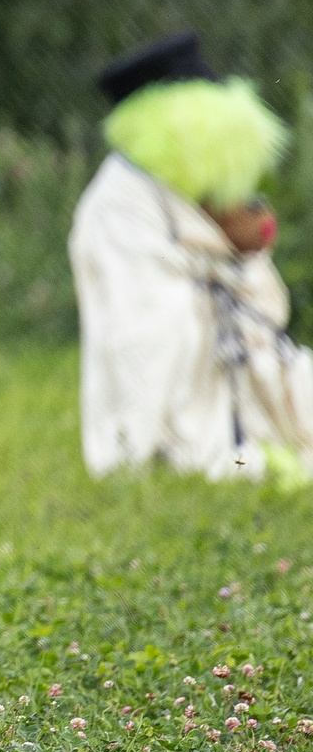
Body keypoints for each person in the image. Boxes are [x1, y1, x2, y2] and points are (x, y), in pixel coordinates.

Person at [70, 30, 313, 483]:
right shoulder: (120, 203)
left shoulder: (192, 182)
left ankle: (250, 440)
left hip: (234, 355)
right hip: (176, 338)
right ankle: (185, 449)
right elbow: (142, 318)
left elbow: (249, 274)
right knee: (166, 332)